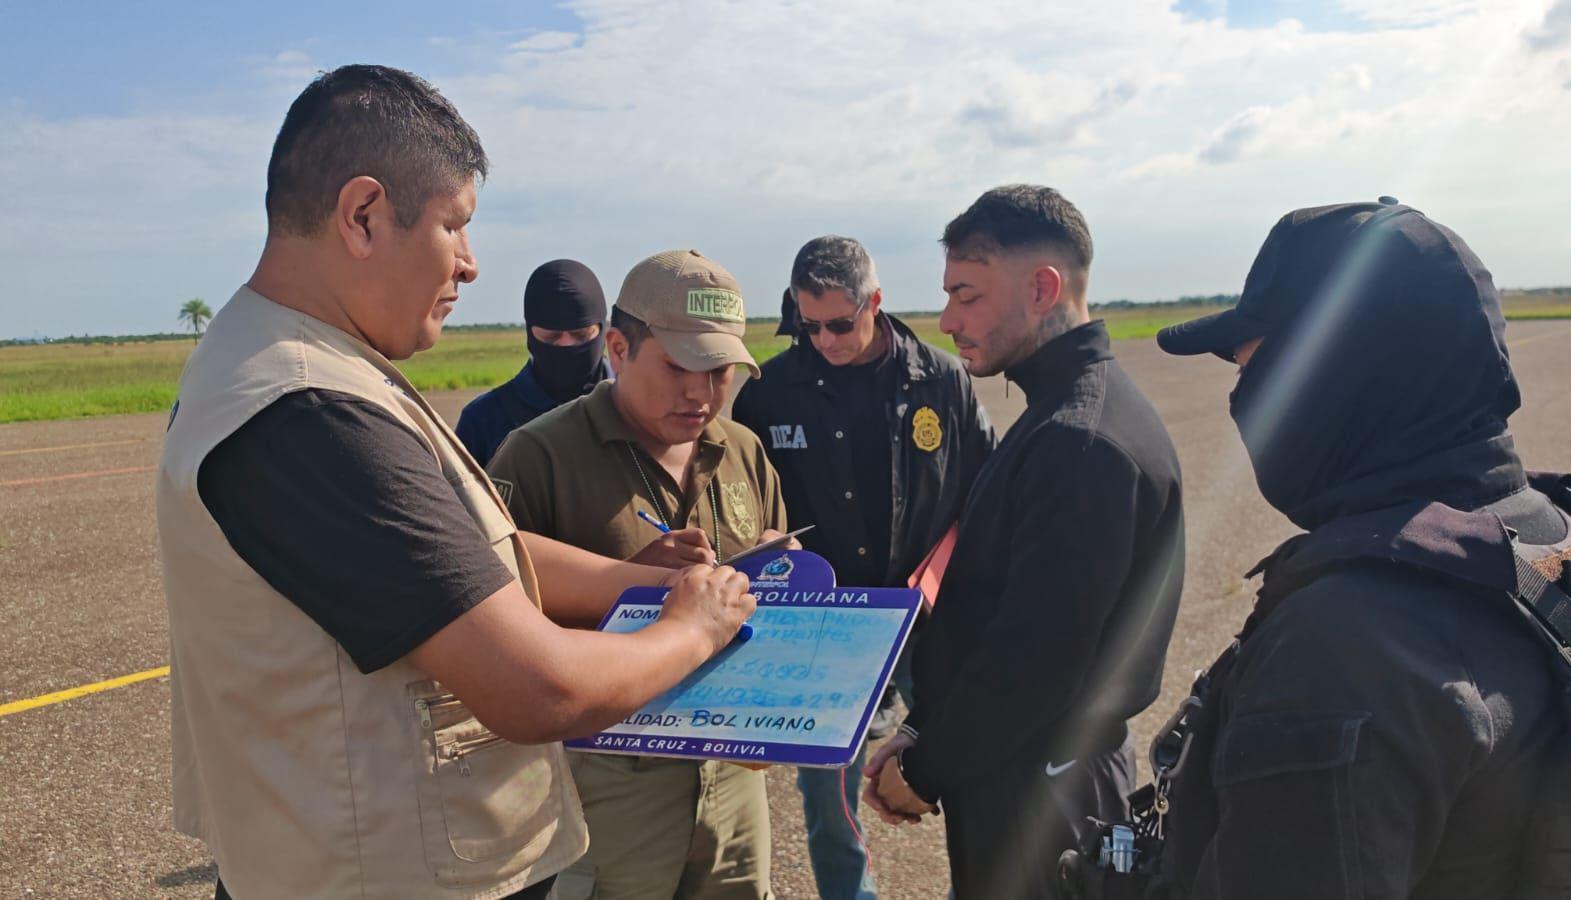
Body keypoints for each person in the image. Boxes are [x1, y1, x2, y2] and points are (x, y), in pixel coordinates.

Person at [157, 65, 756, 900]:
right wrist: (692, 628)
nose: (470, 265)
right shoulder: (306, 408)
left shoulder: (300, 366)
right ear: (363, 215)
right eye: (454, 225)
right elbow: (537, 689)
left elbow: (466, 550)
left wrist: (640, 582)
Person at [1065, 198, 1571, 898]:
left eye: (1253, 365)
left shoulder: (1348, 645)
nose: (1241, 394)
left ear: (1334, 374)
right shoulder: (1562, 537)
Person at [864, 185, 1185, 898]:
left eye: (967, 295)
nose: (947, 319)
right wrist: (925, 732)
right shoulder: (1063, 415)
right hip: (1023, 771)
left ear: (1043, 288)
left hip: (1043, 790)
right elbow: (995, 613)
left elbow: (1035, 659)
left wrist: (926, 768)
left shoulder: (1080, 440)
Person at [488, 249, 789, 900]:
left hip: (734, 780)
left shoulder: (742, 451)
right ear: (619, 347)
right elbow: (489, 627)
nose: (700, 393)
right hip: (604, 788)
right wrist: (621, 584)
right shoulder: (539, 455)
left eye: (720, 373)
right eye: (679, 367)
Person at [732, 235, 996, 900]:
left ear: (875, 302)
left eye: (840, 323)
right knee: (828, 796)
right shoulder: (768, 395)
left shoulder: (941, 380)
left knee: (970, 763)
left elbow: (990, 494)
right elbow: (741, 508)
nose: (823, 339)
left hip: (927, 617)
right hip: (826, 628)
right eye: (806, 324)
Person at [456, 258, 613, 466]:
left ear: (603, 331)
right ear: (530, 334)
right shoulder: (484, 421)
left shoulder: (638, 408)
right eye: (551, 337)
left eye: (581, 335)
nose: (566, 346)